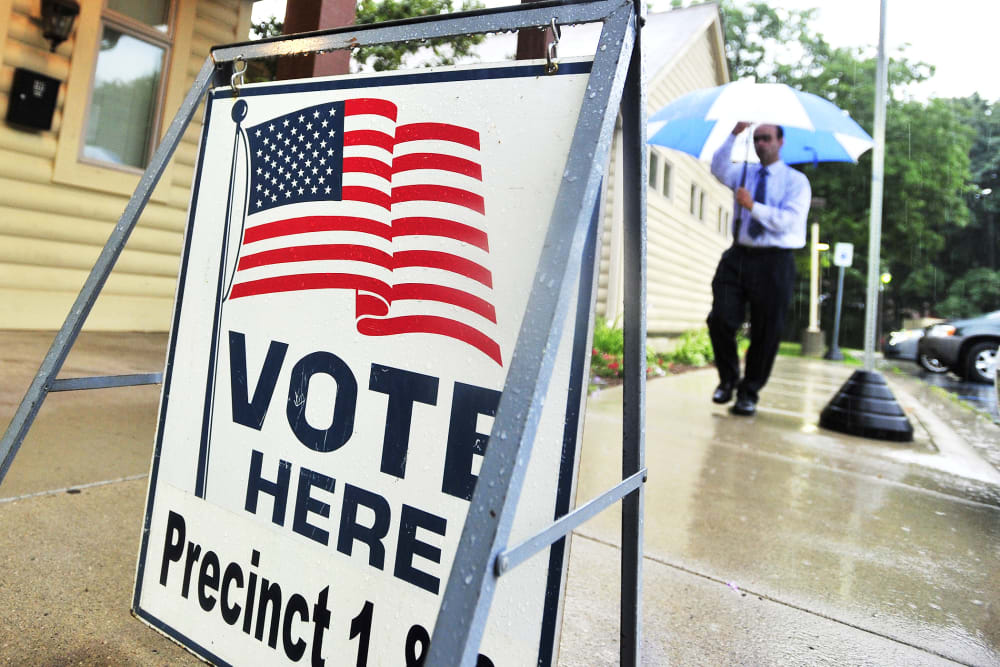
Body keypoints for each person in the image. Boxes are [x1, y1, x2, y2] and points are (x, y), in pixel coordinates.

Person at [707, 122, 811, 416]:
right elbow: (717, 167)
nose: (761, 144)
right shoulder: (744, 173)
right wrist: (733, 134)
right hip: (739, 255)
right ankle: (728, 380)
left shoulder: (796, 182)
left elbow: (789, 222)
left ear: (780, 141)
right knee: (721, 319)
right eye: (756, 139)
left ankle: (748, 393)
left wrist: (753, 207)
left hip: (776, 261)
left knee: (767, 331)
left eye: (766, 138)